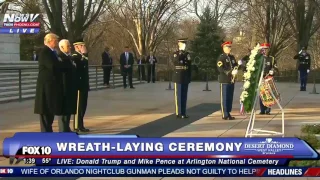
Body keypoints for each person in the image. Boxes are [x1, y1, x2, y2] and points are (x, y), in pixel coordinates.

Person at [34, 33, 66, 132]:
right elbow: (53, 66)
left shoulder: (53, 52)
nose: (57, 42)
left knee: (50, 111)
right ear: (50, 41)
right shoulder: (45, 52)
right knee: (46, 112)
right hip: (46, 87)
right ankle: (45, 135)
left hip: (52, 87)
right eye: (55, 40)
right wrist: (62, 64)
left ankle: (49, 132)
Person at [217, 41, 242, 120]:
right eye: (227, 47)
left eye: (230, 47)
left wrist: (239, 65)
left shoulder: (232, 57)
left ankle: (228, 112)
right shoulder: (221, 57)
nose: (229, 49)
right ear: (224, 48)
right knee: (224, 97)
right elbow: (220, 68)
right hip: (224, 80)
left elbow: (235, 67)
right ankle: (225, 113)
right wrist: (229, 72)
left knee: (230, 97)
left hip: (231, 80)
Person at [57, 39, 77, 132]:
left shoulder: (69, 57)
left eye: (69, 45)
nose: (70, 47)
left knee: (68, 111)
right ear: (61, 47)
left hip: (70, 87)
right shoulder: (60, 57)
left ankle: (66, 128)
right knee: (63, 113)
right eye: (68, 46)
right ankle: (63, 131)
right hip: (64, 88)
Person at [72, 38, 90, 132]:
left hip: (84, 84)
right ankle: (77, 125)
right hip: (79, 85)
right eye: (82, 46)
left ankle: (81, 124)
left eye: (84, 45)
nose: (84, 47)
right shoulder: (75, 56)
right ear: (76, 47)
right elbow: (80, 67)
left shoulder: (82, 56)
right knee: (79, 106)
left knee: (83, 106)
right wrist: (85, 55)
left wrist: (85, 55)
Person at [173, 38, 191, 119]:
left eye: (185, 44)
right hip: (179, 75)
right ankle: (179, 112)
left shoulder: (187, 53)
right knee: (179, 95)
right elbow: (175, 61)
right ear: (179, 44)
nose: (184, 45)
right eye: (182, 43)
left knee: (184, 95)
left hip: (185, 75)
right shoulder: (176, 53)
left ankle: (183, 112)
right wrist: (180, 53)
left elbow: (189, 63)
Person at [259, 43, 277, 115]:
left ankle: (268, 109)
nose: (265, 50)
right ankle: (262, 109)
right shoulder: (260, 58)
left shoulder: (271, 58)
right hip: (261, 78)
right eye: (263, 49)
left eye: (266, 49)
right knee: (262, 94)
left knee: (269, 94)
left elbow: (275, 66)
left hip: (268, 78)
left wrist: (272, 71)